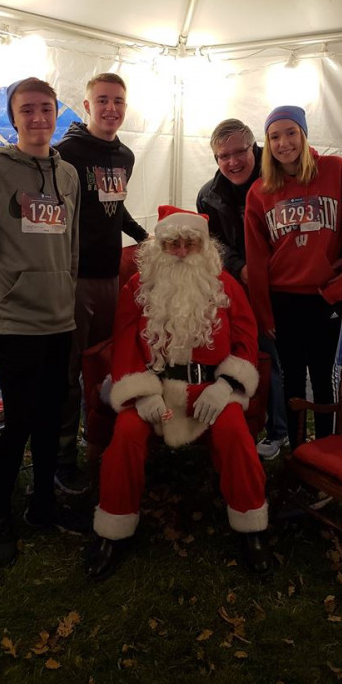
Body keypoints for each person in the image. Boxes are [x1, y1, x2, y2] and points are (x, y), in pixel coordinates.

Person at [84, 205, 272, 579]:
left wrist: (226, 385)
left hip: (210, 389)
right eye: (173, 244)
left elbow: (247, 339)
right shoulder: (138, 287)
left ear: (204, 246)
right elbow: (124, 344)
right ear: (161, 247)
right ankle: (112, 531)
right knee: (126, 436)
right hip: (154, 389)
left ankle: (251, 528)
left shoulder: (225, 285)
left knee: (235, 434)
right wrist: (143, 393)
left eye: (190, 243)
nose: (182, 252)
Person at [0, 77, 87, 567]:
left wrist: (69, 296)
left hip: (59, 319)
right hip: (15, 320)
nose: (38, 118)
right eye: (27, 109)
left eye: (46, 108)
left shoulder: (68, 174)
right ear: (13, 118)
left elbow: (70, 245)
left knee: (51, 419)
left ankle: (43, 506)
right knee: (19, 424)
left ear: (57, 114)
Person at [245, 106, 342, 449]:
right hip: (282, 300)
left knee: (323, 376)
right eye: (274, 136)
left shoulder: (335, 170)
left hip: (323, 296)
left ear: (303, 134)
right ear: (267, 143)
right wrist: (264, 313)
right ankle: (299, 451)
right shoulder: (259, 192)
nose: (283, 143)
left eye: (291, 133)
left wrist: (338, 289)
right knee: (292, 379)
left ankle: (327, 446)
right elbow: (257, 259)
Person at [54, 73, 148, 495]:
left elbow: (116, 207)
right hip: (73, 280)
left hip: (110, 278)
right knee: (67, 372)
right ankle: (62, 459)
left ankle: (100, 444)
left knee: (104, 367)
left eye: (119, 101)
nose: (111, 108)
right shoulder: (66, 153)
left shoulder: (125, 155)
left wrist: (144, 237)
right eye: (103, 100)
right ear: (87, 106)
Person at [196, 119, 288, 460]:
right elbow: (214, 245)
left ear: (255, 149)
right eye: (224, 156)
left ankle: (329, 429)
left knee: (307, 360)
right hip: (244, 289)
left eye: (240, 152)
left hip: (288, 284)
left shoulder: (282, 177)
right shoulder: (208, 195)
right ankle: (278, 430)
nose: (233, 162)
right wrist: (241, 269)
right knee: (267, 358)